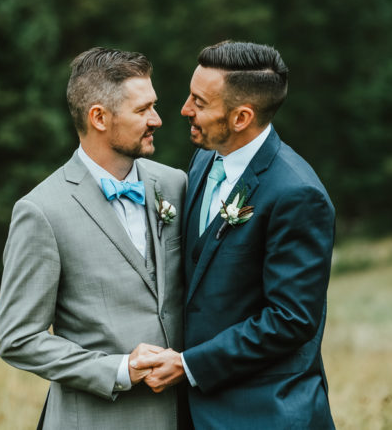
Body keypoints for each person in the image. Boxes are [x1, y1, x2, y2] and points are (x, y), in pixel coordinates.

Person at [133, 40, 336, 429]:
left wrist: (189, 365)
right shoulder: (204, 159)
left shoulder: (297, 194)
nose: (185, 110)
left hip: (264, 413)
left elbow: (290, 319)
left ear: (242, 117)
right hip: (194, 412)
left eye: (199, 102)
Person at [0, 47, 188, 430]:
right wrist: (119, 369)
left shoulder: (175, 184)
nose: (157, 119)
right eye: (142, 110)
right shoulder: (41, 210)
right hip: (97, 419)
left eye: (154, 106)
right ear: (99, 117)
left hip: (184, 415)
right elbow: (18, 339)